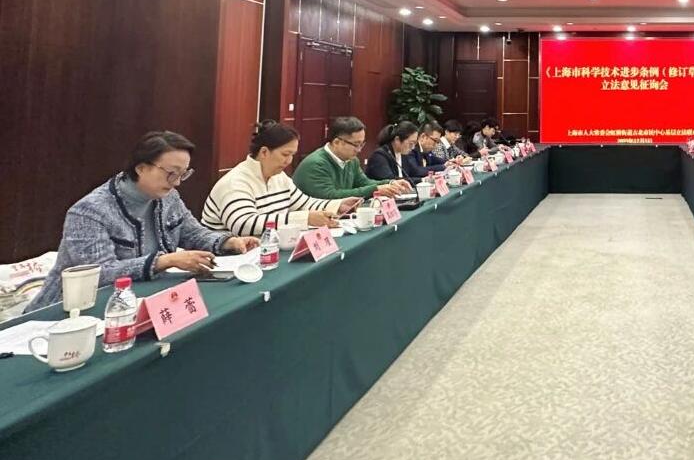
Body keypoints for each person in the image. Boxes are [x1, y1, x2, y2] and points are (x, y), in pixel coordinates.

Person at [26, 131, 259, 312]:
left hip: (140, 302)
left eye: (183, 174)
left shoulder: (168, 198)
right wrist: (164, 261)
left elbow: (193, 233)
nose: (177, 182)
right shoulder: (90, 211)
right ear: (141, 168)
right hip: (67, 313)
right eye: (171, 173)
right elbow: (101, 274)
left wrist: (228, 242)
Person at [203, 121, 359, 235]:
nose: (289, 161)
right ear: (264, 152)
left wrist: (338, 205)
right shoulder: (235, 182)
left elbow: (304, 203)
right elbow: (244, 224)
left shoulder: (279, 177)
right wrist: (305, 219)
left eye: (292, 155)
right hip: (229, 258)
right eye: (285, 154)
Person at [291, 117, 412, 200]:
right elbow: (330, 196)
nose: (359, 150)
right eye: (355, 144)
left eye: (362, 144)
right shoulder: (316, 163)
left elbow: (364, 182)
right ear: (337, 142)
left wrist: (390, 183)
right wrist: (376, 189)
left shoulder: (352, 160)